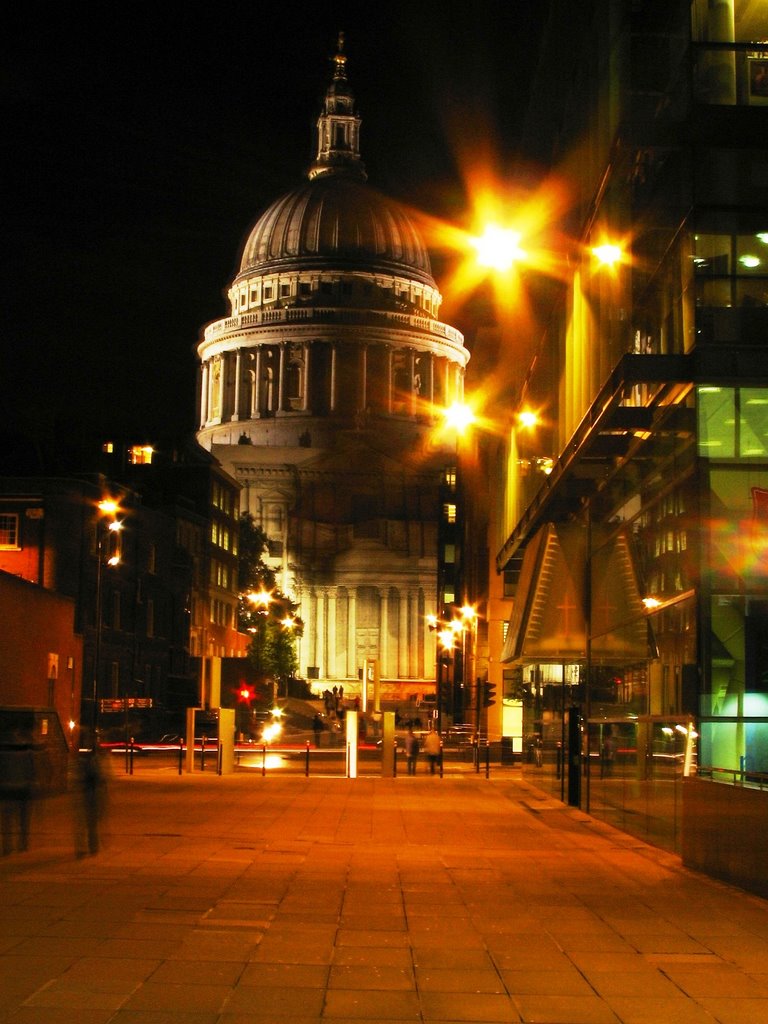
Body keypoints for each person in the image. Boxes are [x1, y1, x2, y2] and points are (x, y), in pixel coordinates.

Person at [0, 730, 36, 855]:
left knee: (8, 820)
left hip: (8, 789)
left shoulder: (4, 753)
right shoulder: (26, 752)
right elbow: (31, 771)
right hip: (22, 789)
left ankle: (7, 846)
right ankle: (22, 843)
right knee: (23, 819)